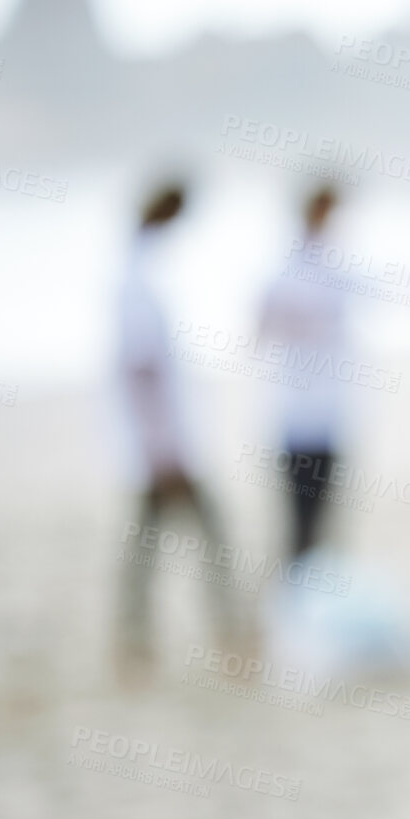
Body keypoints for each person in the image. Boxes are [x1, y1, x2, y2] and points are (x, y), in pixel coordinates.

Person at [114, 180, 235, 674]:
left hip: (161, 443)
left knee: (149, 543)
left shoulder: (137, 272)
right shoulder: (137, 282)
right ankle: (223, 634)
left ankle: (136, 640)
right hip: (164, 447)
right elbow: (141, 371)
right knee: (207, 538)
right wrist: (163, 448)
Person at [258, 185, 348, 559]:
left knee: (321, 514)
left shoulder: (329, 267)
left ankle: (309, 589)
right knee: (301, 514)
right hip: (298, 412)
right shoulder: (291, 271)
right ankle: (297, 592)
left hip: (322, 410)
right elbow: (260, 331)